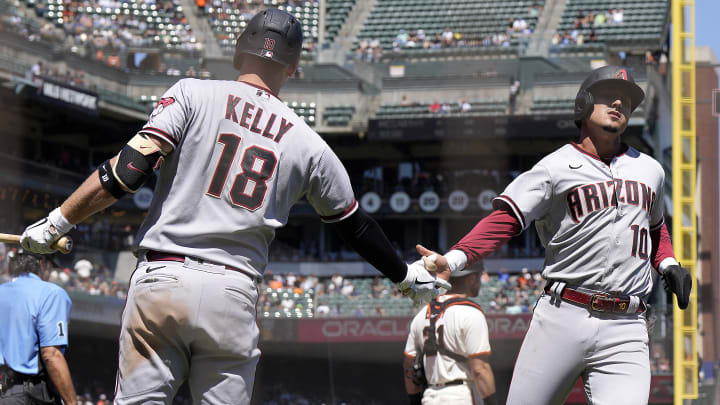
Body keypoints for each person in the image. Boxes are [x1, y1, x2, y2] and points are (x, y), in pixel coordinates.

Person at [19, 8, 449, 405]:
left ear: (239, 51)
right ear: (293, 69)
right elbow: (355, 225)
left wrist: (56, 222)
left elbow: (130, 170)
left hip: (163, 277)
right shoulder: (309, 143)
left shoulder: (191, 93)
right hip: (233, 290)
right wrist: (404, 275)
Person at [416, 65, 692, 404]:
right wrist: (455, 259)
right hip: (563, 315)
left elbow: (654, 226)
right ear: (584, 104)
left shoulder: (650, 170)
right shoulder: (554, 167)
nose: (619, 103)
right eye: (608, 96)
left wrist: (668, 263)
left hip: (627, 324)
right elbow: (506, 219)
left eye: (627, 100)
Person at [403, 263, 497, 405]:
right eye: (479, 275)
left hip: (430, 396)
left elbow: (408, 365)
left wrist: (414, 401)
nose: (480, 281)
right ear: (471, 278)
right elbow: (479, 369)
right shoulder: (470, 312)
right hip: (461, 395)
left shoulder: (422, 314)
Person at [0, 250, 77, 405]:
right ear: (43, 264)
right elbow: (51, 354)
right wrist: (71, 402)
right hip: (28, 393)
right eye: (51, 268)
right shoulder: (51, 293)